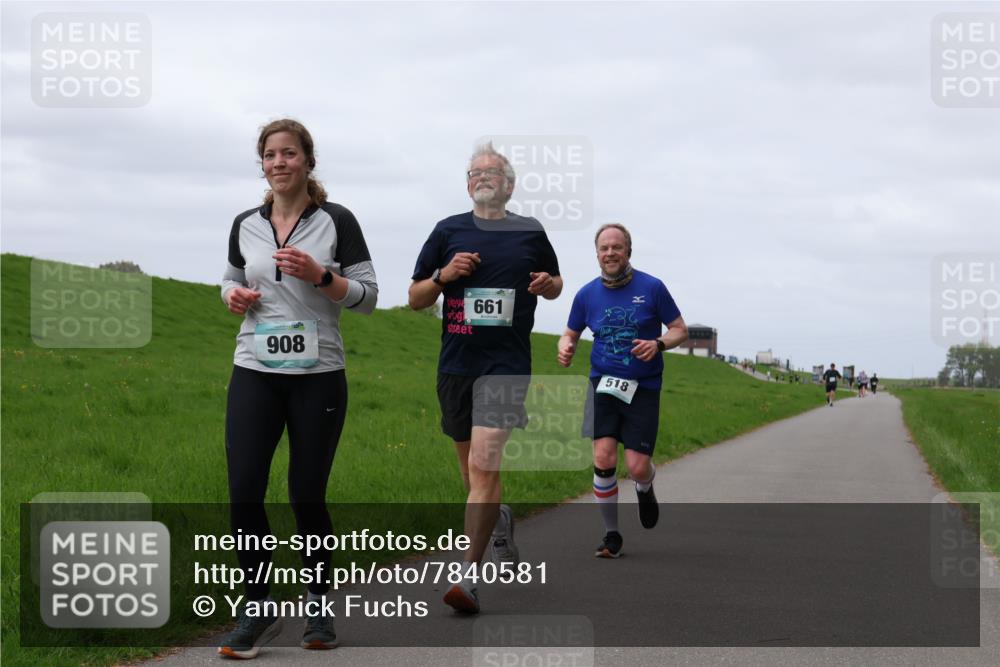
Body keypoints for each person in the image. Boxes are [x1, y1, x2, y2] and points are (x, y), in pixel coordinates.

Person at [218, 119, 378, 658]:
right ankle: (257, 608)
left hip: (318, 375)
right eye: (270, 155)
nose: (279, 162)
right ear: (262, 164)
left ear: (309, 161)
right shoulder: (245, 223)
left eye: (289, 153)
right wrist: (232, 296)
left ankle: (317, 605)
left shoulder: (337, 220)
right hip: (254, 368)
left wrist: (320, 276)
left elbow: (368, 296)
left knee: (306, 494)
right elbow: (230, 278)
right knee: (244, 490)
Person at [408, 142, 562, 613]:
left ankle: (468, 578)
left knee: (483, 462)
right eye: (474, 173)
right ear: (467, 185)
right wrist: (444, 275)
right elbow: (415, 297)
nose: (481, 178)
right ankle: (499, 519)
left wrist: (547, 285)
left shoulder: (529, 231)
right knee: (471, 473)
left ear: (509, 186)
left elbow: (556, 284)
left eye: (490, 172)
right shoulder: (447, 230)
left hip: (506, 365)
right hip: (457, 365)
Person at [557, 223, 687, 558]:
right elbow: (570, 332)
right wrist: (566, 346)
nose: (610, 253)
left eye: (617, 247)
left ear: (628, 251)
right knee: (603, 457)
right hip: (602, 383)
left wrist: (658, 344)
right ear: (597, 254)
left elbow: (679, 330)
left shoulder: (652, 287)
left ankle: (645, 486)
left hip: (643, 386)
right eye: (604, 248)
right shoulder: (586, 294)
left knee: (637, 466)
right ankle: (611, 535)